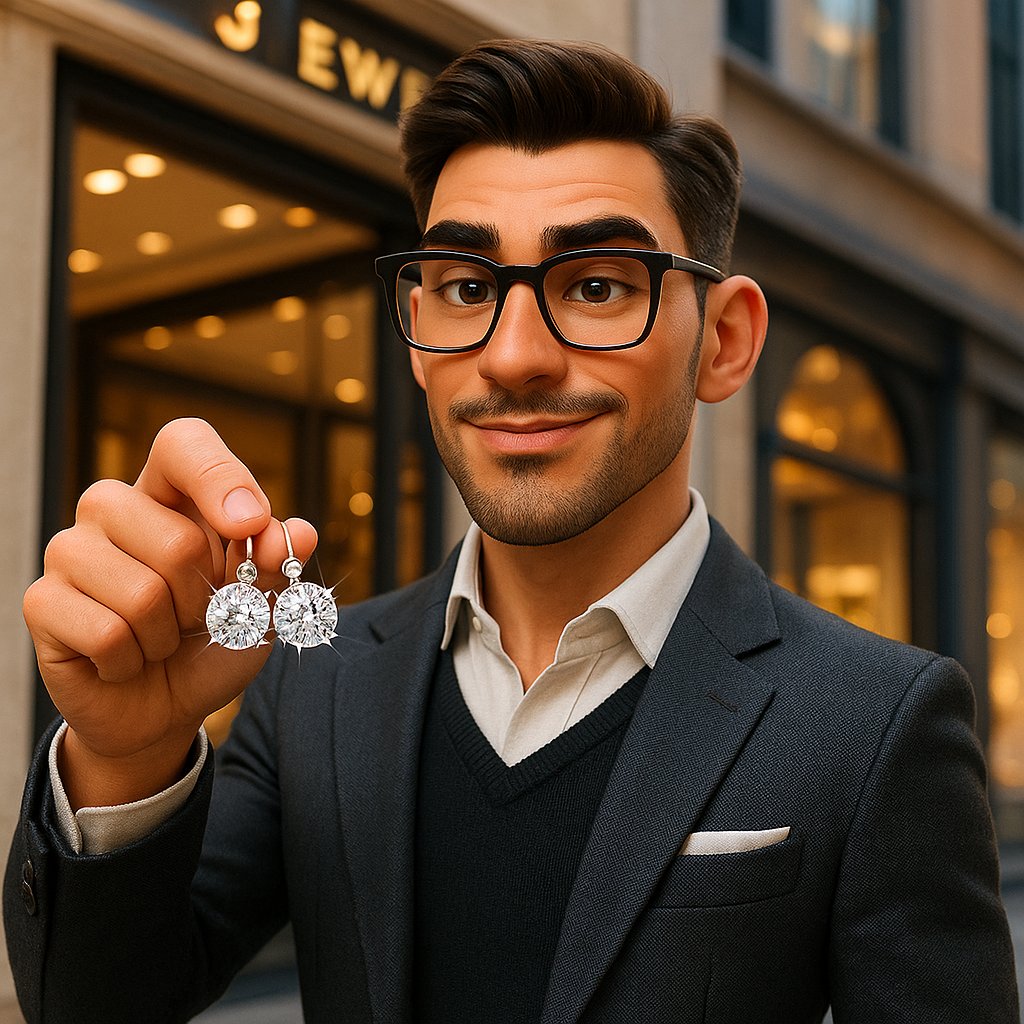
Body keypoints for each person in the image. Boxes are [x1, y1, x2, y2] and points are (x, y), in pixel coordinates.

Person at [4, 37, 1018, 1024]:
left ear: (723, 340)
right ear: (416, 337)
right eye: (465, 288)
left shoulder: (876, 719)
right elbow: (104, 1002)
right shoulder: (315, 672)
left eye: (595, 285)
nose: (514, 357)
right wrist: (123, 755)